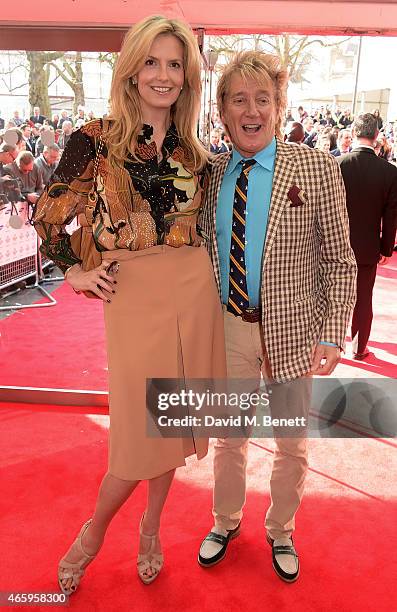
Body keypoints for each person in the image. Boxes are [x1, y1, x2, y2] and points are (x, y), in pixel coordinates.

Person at [33, 14, 226, 594]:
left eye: (174, 64)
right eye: (151, 61)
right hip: (133, 298)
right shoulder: (93, 140)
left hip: (194, 293)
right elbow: (46, 218)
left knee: (169, 426)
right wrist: (76, 272)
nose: (162, 75)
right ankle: (93, 534)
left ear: (187, 77)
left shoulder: (195, 151)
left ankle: (151, 528)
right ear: (131, 68)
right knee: (135, 439)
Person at [198, 50, 357, 582]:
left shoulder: (313, 167)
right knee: (230, 436)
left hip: (293, 333)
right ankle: (225, 520)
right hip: (230, 326)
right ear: (222, 111)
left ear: (279, 105)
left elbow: (340, 258)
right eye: (239, 99)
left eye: (262, 99)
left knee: (291, 441)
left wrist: (334, 332)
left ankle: (282, 530)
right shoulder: (212, 171)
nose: (252, 110)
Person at [338, 113, 397, 360]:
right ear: (376, 136)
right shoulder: (389, 172)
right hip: (367, 248)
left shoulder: (338, 163)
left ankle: (326, 344)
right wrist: (386, 249)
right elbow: (391, 217)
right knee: (363, 298)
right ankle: (359, 347)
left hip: (335, 245)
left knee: (331, 295)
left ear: (353, 133)